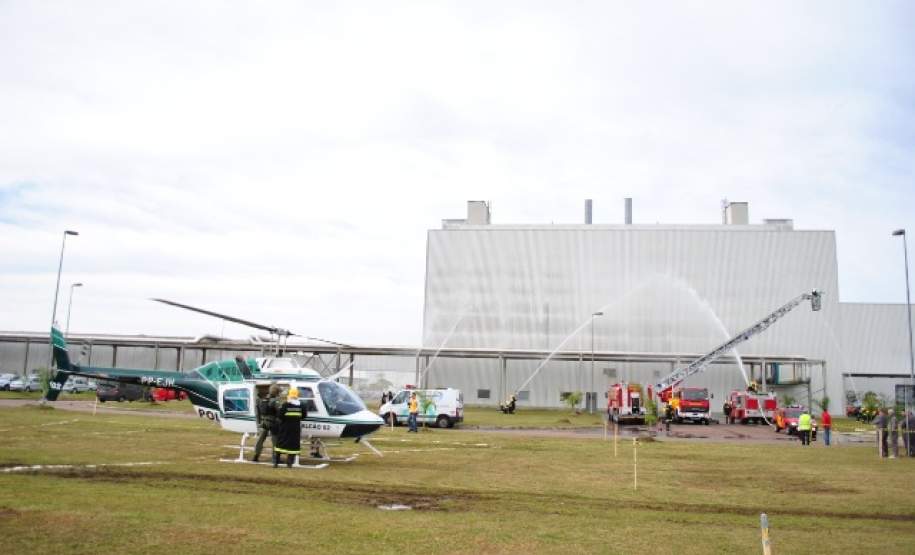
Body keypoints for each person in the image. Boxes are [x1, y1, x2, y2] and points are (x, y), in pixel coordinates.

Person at [274, 387, 307, 467]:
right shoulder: (301, 405)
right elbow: (304, 416)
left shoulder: (285, 405)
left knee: (280, 444)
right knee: (293, 445)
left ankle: (276, 463)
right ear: (297, 395)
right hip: (295, 429)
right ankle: (289, 463)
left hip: (285, 428)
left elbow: (279, 416)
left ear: (289, 395)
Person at [252, 384, 280, 462]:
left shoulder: (263, 400)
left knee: (260, 440)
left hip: (263, 422)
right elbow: (279, 412)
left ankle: (256, 455)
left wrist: (259, 422)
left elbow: (259, 412)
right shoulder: (275, 401)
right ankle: (275, 458)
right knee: (275, 440)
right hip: (273, 423)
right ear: (276, 392)